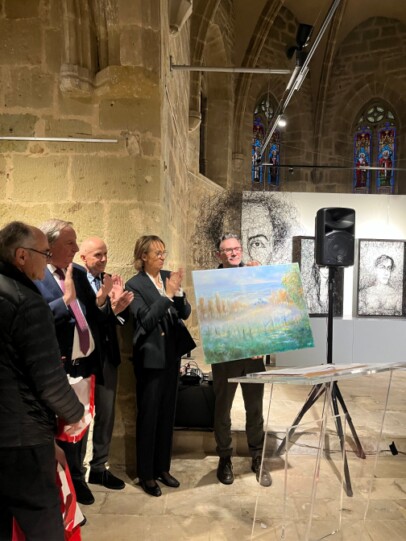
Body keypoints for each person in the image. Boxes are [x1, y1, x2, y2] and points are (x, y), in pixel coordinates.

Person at [0, 221, 84, 541]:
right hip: (22, 439)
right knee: (44, 524)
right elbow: (49, 381)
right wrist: (75, 414)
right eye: (44, 253)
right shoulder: (27, 301)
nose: (47, 260)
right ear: (21, 256)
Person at [35, 219, 106, 506]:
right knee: (58, 430)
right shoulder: (36, 274)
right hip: (55, 367)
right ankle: (60, 485)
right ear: (49, 246)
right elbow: (35, 320)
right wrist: (64, 301)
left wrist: (105, 304)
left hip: (82, 364)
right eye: (70, 243)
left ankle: (78, 478)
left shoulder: (76, 272)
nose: (76, 249)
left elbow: (91, 316)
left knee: (80, 424)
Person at [125, 235, 196, 497]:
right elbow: (146, 320)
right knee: (149, 417)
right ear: (143, 256)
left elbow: (185, 313)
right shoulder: (134, 285)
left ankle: (162, 468)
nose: (162, 257)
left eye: (163, 252)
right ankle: (146, 474)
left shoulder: (167, 277)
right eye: (157, 253)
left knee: (167, 415)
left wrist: (178, 293)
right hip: (151, 359)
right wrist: (167, 294)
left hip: (171, 356)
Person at [213, 233, 272, 487]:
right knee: (222, 409)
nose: (233, 252)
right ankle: (224, 457)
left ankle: (257, 456)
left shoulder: (254, 274)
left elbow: (266, 309)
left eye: (236, 248)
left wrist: (262, 342)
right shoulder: (210, 282)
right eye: (227, 250)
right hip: (225, 357)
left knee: (255, 408)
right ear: (219, 255)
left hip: (253, 355)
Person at [78, 236, 134, 491]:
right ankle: (77, 474)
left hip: (108, 359)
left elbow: (118, 321)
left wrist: (118, 309)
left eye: (105, 254)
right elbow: (81, 319)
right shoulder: (75, 281)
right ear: (83, 258)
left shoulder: (108, 280)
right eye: (97, 255)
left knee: (107, 414)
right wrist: (104, 305)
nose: (103, 259)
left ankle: (99, 468)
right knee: (81, 417)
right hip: (83, 360)